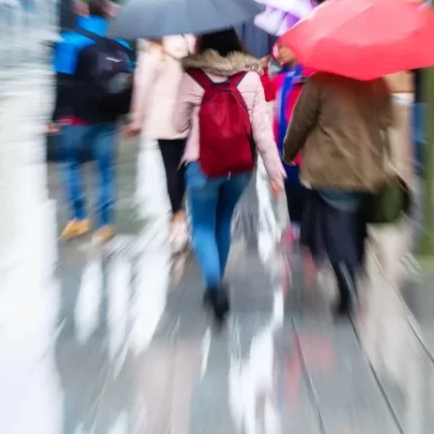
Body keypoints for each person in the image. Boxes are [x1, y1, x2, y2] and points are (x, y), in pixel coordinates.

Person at [173, 28, 285, 321]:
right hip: (239, 166)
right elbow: (262, 132)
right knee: (223, 221)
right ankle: (216, 284)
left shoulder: (191, 77)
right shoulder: (251, 78)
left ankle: (214, 286)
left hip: (201, 166)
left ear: (201, 42)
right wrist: (275, 173)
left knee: (202, 226)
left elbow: (177, 125)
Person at [283, 72, 394, 316]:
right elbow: (387, 120)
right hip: (367, 167)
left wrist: (289, 152)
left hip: (330, 169)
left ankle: (345, 282)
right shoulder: (376, 80)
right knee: (355, 222)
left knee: (333, 228)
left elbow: (300, 122)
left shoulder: (320, 82)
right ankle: (355, 266)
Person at [49, 0, 133, 244]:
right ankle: (105, 225)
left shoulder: (71, 41)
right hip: (109, 117)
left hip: (77, 118)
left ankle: (79, 218)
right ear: (107, 13)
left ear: (86, 12)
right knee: (105, 170)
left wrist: (53, 117)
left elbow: (60, 83)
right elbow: (129, 79)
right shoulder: (120, 43)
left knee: (72, 165)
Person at [127, 35, 194, 253]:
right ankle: (187, 213)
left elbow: (142, 86)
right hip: (190, 116)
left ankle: (177, 218)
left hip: (163, 119)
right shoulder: (192, 44)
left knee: (171, 168)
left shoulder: (154, 49)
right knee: (186, 166)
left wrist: (137, 119)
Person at [259, 44, 314, 241]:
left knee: (304, 186)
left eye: (285, 47)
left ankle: (307, 226)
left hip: (302, 142)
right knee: (290, 185)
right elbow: (267, 93)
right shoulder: (282, 77)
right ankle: (296, 225)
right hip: (282, 140)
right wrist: (264, 71)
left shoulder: (308, 74)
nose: (279, 51)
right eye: (278, 47)